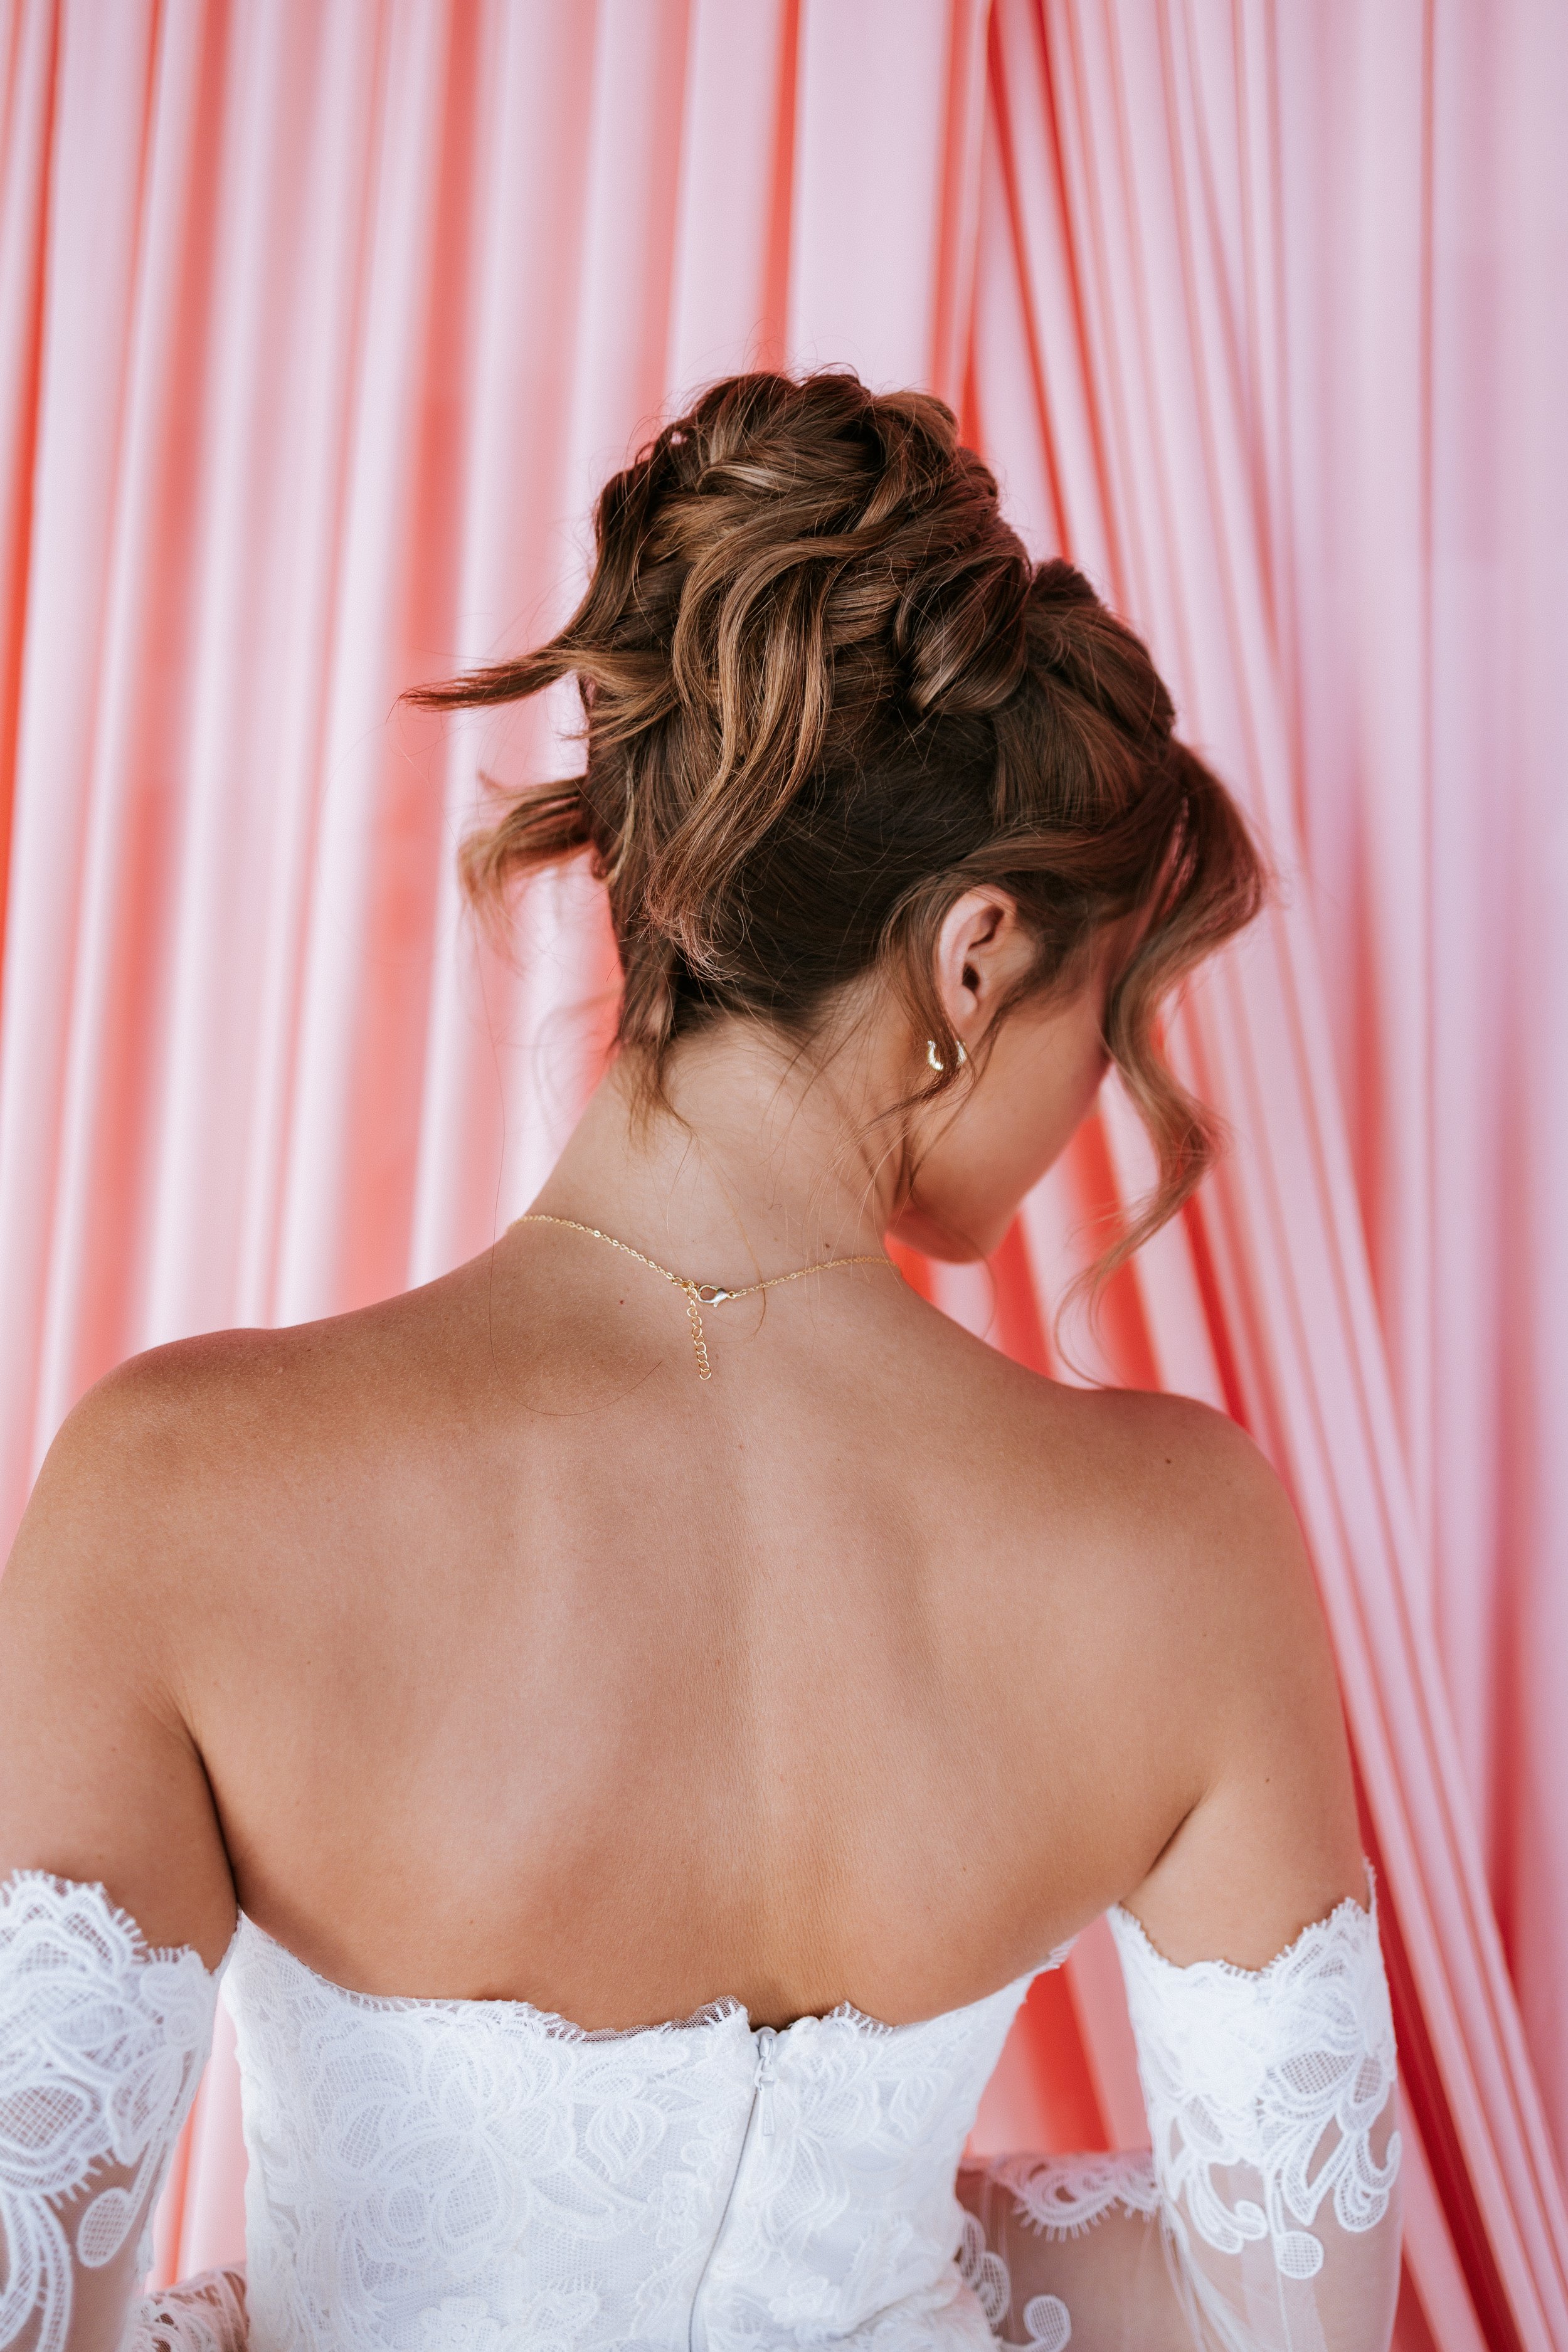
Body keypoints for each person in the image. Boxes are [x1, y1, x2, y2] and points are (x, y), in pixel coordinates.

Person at [0, 371, 1401, 2352]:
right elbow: (1288, 2317)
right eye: (1115, 1003)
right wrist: (878, 2237)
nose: (1110, 1086)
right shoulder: (1183, 1539)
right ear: (975, 953)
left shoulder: (178, 1488)